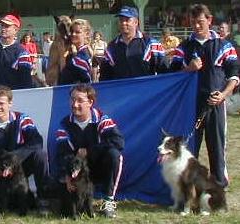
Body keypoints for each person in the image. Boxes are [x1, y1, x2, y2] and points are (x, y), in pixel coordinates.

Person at [170, 4, 239, 189]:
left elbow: (234, 75)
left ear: (209, 20)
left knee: (216, 147)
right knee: (190, 147)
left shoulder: (225, 46)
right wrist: (188, 68)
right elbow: (172, 77)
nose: (197, 26)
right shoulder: (183, 47)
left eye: (200, 22)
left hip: (215, 104)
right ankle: (190, 188)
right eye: (193, 22)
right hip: (191, 106)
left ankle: (218, 186)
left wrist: (223, 95)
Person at [0, 85, 50, 213]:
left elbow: (36, 142)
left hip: (20, 166)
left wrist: (14, 158)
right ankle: (2, 200)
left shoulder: (22, 119)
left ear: (10, 103)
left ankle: (43, 199)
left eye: (1, 103)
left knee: (40, 155)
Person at [53, 84, 124, 218]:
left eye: (80, 100)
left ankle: (108, 201)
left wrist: (90, 151)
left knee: (115, 155)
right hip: (77, 173)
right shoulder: (64, 124)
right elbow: (62, 154)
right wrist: (67, 175)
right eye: (72, 99)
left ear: (90, 102)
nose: (75, 104)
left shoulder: (102, 119)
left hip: (98, 167)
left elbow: (118, 141)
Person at [100, 6, 168, 81]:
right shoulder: (111, 47)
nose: (123, 23)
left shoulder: (151, 43)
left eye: (127, 20)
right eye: (121, 20)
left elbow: (164, 71)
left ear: (136, 22)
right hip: (121, 91)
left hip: (146, 91)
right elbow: (105, 76)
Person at [0, 13, 33, 91]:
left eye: (7, 26)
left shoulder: (22, 53)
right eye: (2, 25)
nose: (3, 28)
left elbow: (26, 82)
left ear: (16, 30)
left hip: (11, 98)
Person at [58, 19, 93, 85]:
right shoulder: (76, 54)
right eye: (72, 31)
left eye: (77, 32)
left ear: (86, 34)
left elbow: (87, 83)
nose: (73, 34)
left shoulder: (81, 58)